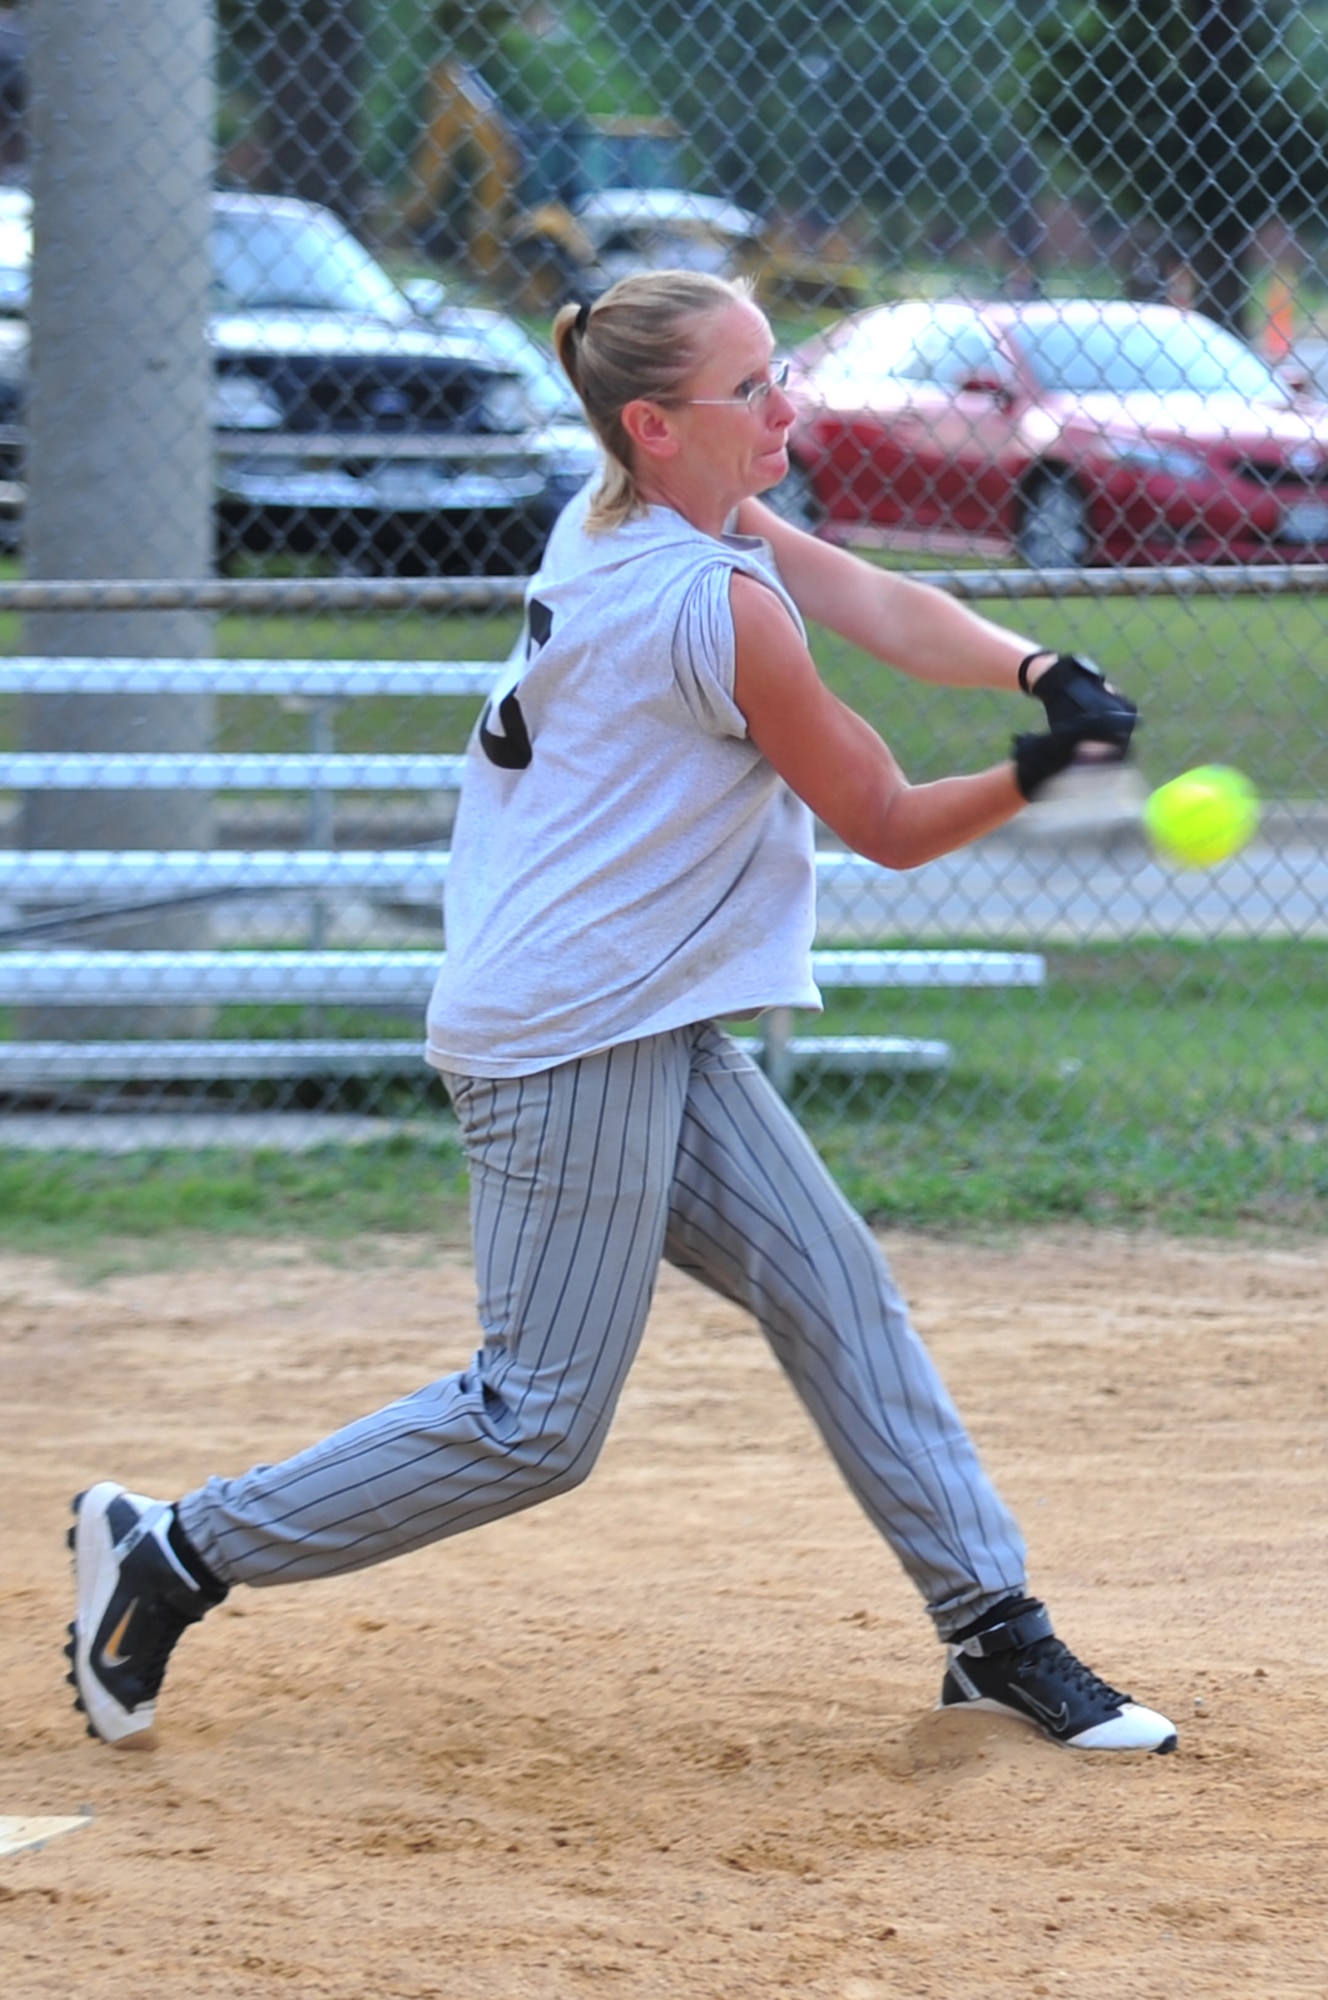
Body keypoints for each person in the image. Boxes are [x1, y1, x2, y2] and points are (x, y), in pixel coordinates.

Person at [66, 270, 1176, 1757]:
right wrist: (1051, 773)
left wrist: (1038, 670)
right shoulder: (704, 604)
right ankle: (176, 1551)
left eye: (782, 372)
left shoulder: (640, 517)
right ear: (655, 424)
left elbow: (865, 594)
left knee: (835, 1295)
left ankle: (993, 1631)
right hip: (567, 1035)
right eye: (751, 390)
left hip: (647, 1014)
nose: (785, 405)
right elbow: (891, 821)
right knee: (534, 1422)